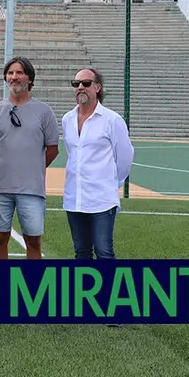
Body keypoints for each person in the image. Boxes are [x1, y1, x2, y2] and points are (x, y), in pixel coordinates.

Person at [0, 56, 59, 261]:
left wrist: (31, 168)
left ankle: (32, 285)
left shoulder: (44, 112)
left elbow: (52, 149)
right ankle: (2, 283)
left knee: (33, 241)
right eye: (10, 73)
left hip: (31, 190)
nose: (14, 77)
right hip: (0, 188)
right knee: (0, 238)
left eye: (19, 72)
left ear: (29, 79)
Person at [62, 67, 134, 260]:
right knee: (81, 252)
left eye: (86, 84)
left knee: (104, 251)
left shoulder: (112, 120)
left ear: (97, 87)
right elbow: (73, 154)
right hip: (74, 198)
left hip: (101, 199)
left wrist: (112, 183)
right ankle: (83, 290)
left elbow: (125, 157)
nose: (80, 87)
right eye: (76, 84)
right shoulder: (67, 120)